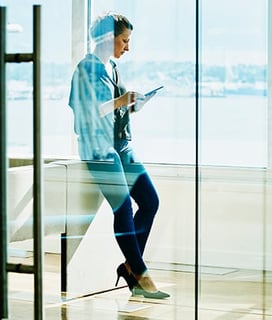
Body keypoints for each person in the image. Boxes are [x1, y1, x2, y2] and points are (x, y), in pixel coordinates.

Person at [68, 12, 169, 299]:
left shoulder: (111, 67)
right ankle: (141, 273)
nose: (127, 47)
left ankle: (130, 266)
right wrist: (123, 100)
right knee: (123, 208)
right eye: (124, 41)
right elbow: (90, 111)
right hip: (99, 149)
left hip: (121, 145)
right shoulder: (87, 69)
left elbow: (114, 110)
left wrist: (134, 105)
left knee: (150, 201)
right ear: (106, 39)